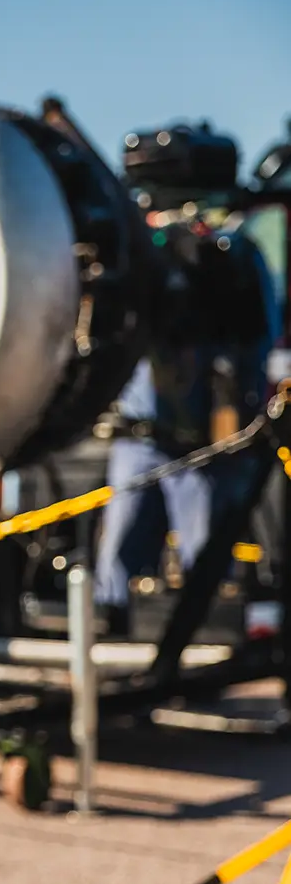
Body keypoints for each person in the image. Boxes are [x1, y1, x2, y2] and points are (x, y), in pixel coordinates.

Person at [93, 229, 278, 635]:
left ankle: (207, 639)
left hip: (202, 447)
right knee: (118, 558)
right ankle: (112, 635)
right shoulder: (137, 253)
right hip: (140, 441)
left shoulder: (232, 259)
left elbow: (256, 341)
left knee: (206, 560)